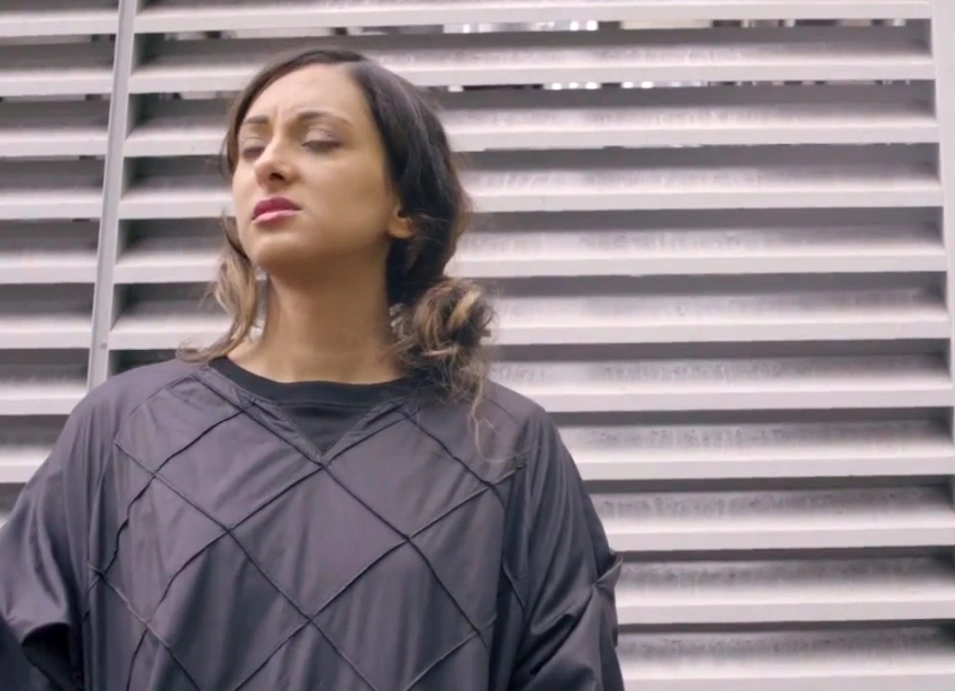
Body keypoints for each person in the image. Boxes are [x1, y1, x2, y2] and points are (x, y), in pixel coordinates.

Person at [0, 47, 624, 690]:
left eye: (319, 140)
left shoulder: (505, 446)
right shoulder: (123, 429)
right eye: (250, 148)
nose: (269, 164)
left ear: (404, 207)